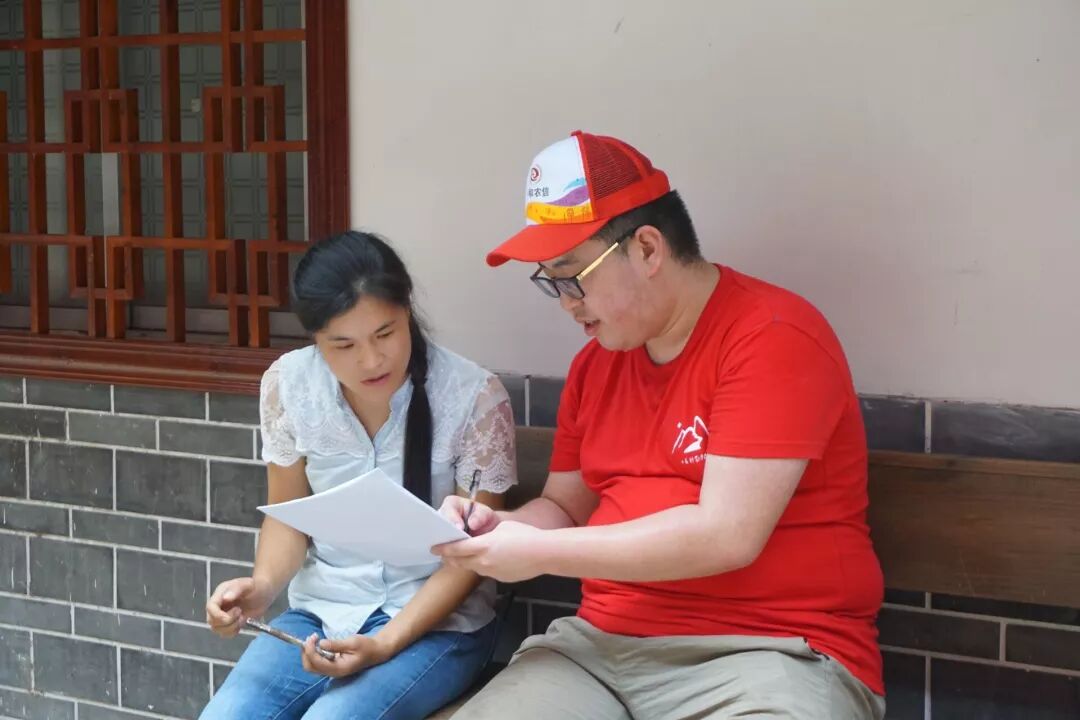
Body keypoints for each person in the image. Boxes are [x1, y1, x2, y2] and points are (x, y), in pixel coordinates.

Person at [434, 131, 886, 719]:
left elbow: (726, 535)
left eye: (572, 276)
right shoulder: (596, 364)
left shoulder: (772, 336)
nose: (567, 302)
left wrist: (540, 551)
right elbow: (565, 507)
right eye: (550, 282)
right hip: (599, 650)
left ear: (648, 249)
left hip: (769, 651)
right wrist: (499, 527)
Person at [200, 231, 517, 720]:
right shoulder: (289, 385)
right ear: (315, 338)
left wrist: (385, 643)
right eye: (343, 344)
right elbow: (287, 516)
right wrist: (260, 589)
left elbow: (473, 557)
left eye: (385, 334)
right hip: (322, 612)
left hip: (440, 626)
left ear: (407, 310)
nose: (371, 360)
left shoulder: (472, 395)